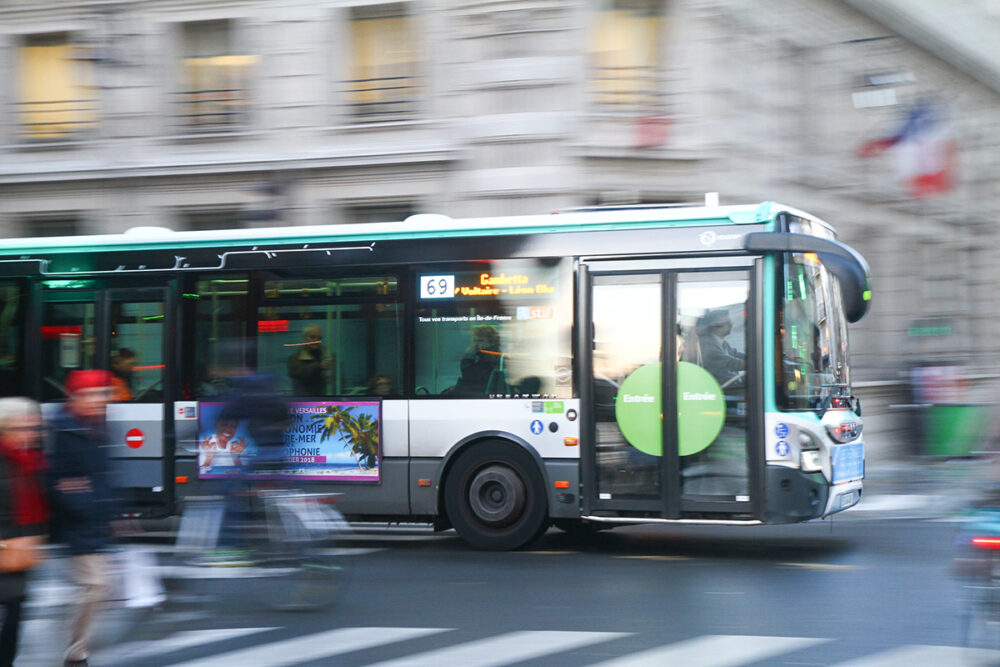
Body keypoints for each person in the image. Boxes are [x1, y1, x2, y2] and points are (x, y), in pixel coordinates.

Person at [49, 370, 115, 667]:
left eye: (102, 394)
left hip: (94, 517)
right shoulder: (63, 429)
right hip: (76, 521)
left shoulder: (97, 425)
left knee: (97, 586)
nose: (100, 400)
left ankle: (76, 648)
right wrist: (80, 501)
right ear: (76, 396)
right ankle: (75, 652)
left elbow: (102, 474)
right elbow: (57, 479)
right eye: (92, 394)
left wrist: (111, 508)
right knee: (97, 585)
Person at [0, 398, 48, 667]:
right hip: (6, 551)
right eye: (21, 428)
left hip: (19, 558)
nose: (30, 434)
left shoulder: (29, 461)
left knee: (14, 617)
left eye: (33, 428)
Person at [695, 309, 745, 387]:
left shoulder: (721, 342)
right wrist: (750, 363)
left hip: (730, 382)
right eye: (727, 323)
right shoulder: (706, 343)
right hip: (721, 387)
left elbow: (735, 354)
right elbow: (729, 363)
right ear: (716, 326)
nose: (731, 325)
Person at [453, 325, 502, 395]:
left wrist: (468, 357)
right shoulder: (489, 355)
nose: (476, 344)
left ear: (492, 341)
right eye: (475, 341)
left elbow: (470, 379)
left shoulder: (490, 358)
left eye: (480, 340)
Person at [287, 325, 332, 396]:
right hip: (303, 401)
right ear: (304, 338)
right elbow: (297, 373)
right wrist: (319, 366)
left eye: (319, 338)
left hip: (325, 401)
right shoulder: (295, 358)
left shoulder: (328, 356)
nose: (316, 340)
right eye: (312, 337)